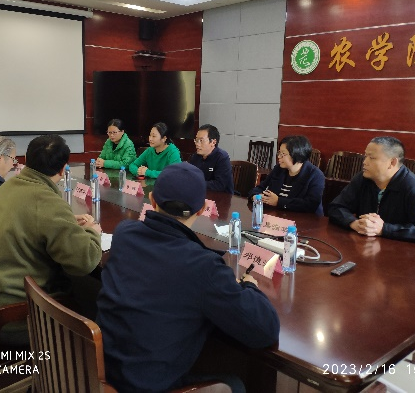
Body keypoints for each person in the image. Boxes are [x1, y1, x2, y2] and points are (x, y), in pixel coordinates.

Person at [96, 162, 280, 393]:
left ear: (152, 200)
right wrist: (250, 287)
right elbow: (265, 331)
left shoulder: (124, 234)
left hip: (102, 374)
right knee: (233, 385)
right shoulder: (203, 266)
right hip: (145, 387)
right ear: (202, 209)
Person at [0, 134, 102, 345]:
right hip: (17, 315)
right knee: (93, 291)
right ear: (63, 169)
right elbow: (85, 260)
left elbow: (32, 221)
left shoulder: (7, 186)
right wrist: (92, 232)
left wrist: (68, 221)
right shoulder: (47, 201)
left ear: (26, 160)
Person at [328, 136, 415, 245]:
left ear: (392, 162)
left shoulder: (414, 189)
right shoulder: (363, 179)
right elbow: (335, 207)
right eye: (365, 156)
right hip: (365, 247)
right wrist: (354, 223)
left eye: (372, 158)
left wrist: (384, 229)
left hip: (400, 253)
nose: (364, 162)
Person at [248, 135, 325, 215]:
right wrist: (255, 196)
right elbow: (260, 188)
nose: (279, 156)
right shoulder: (278, 169)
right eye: (279, 153)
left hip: (306, 220)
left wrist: (279, 202)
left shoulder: (315, 175)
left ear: (297, 155)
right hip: (278, 216)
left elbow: (310, 205)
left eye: (283, 154)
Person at [188, 124, 234, 194]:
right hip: (201, 194)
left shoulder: (222, 157)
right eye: (196, 140)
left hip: (221, 197)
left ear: (213, 142)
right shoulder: (195, 156)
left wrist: (196, 183)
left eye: (201, 140)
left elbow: (220, 185)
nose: (197, 144)